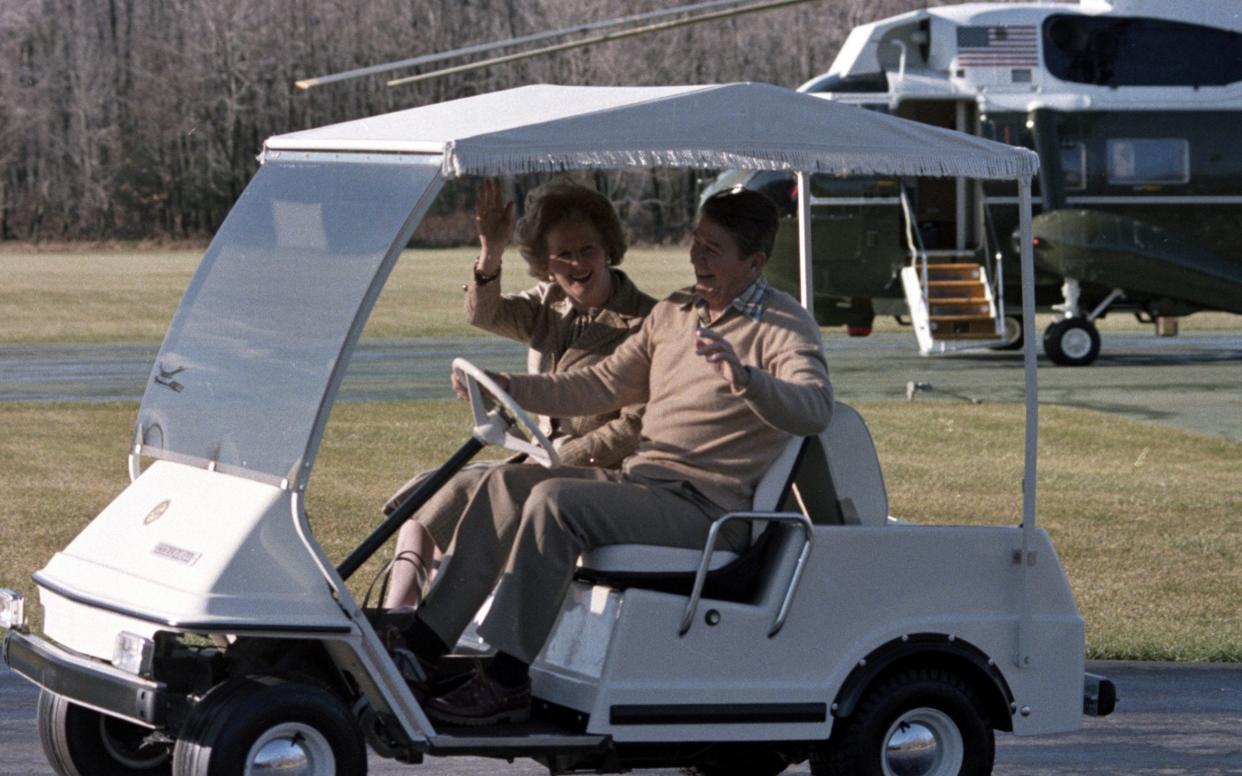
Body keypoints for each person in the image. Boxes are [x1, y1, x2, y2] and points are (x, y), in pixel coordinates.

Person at [399, 186, 834, 726]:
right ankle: (421, 646)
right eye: (696, 243)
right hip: (646, 484)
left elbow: (815, 409)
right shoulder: (676, 312)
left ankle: (506, 680)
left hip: (707, 509)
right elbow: (601, 384)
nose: (696, 257)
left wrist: (746, 379)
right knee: (504, 485)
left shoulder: (783, 325)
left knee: (557, 501)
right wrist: (506, 384)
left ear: (755, 261)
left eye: (713, 249)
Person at [380, 178, 656, 611]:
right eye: (563, 254)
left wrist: (558, 457)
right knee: (430, 490)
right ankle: (395, 614)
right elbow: (483, 313)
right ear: (546, 263)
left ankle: (421, 621)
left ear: (608, 249)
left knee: (474, 484)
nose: (577, 264)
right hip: (539, 453)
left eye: (588, 250)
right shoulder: (550, 305)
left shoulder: (645, 322)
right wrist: (491, 251)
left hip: (600, 469)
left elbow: (632, 429)